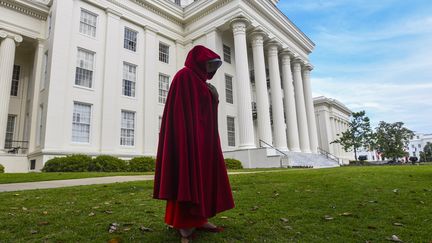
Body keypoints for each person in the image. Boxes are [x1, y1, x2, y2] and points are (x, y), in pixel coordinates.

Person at [153, 45, 235, 241]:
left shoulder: (202, 83)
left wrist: (214, 98)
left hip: (204, 139)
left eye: (212, 65)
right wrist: (185, 140)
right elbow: (180, 112)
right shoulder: (184, 76)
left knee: (203, 176)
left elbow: (204, 111)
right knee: (187, 175)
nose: (210, 68)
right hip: (188, 138)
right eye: (207, 63)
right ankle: (184, 222)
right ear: (198, 61)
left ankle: (200, 218)